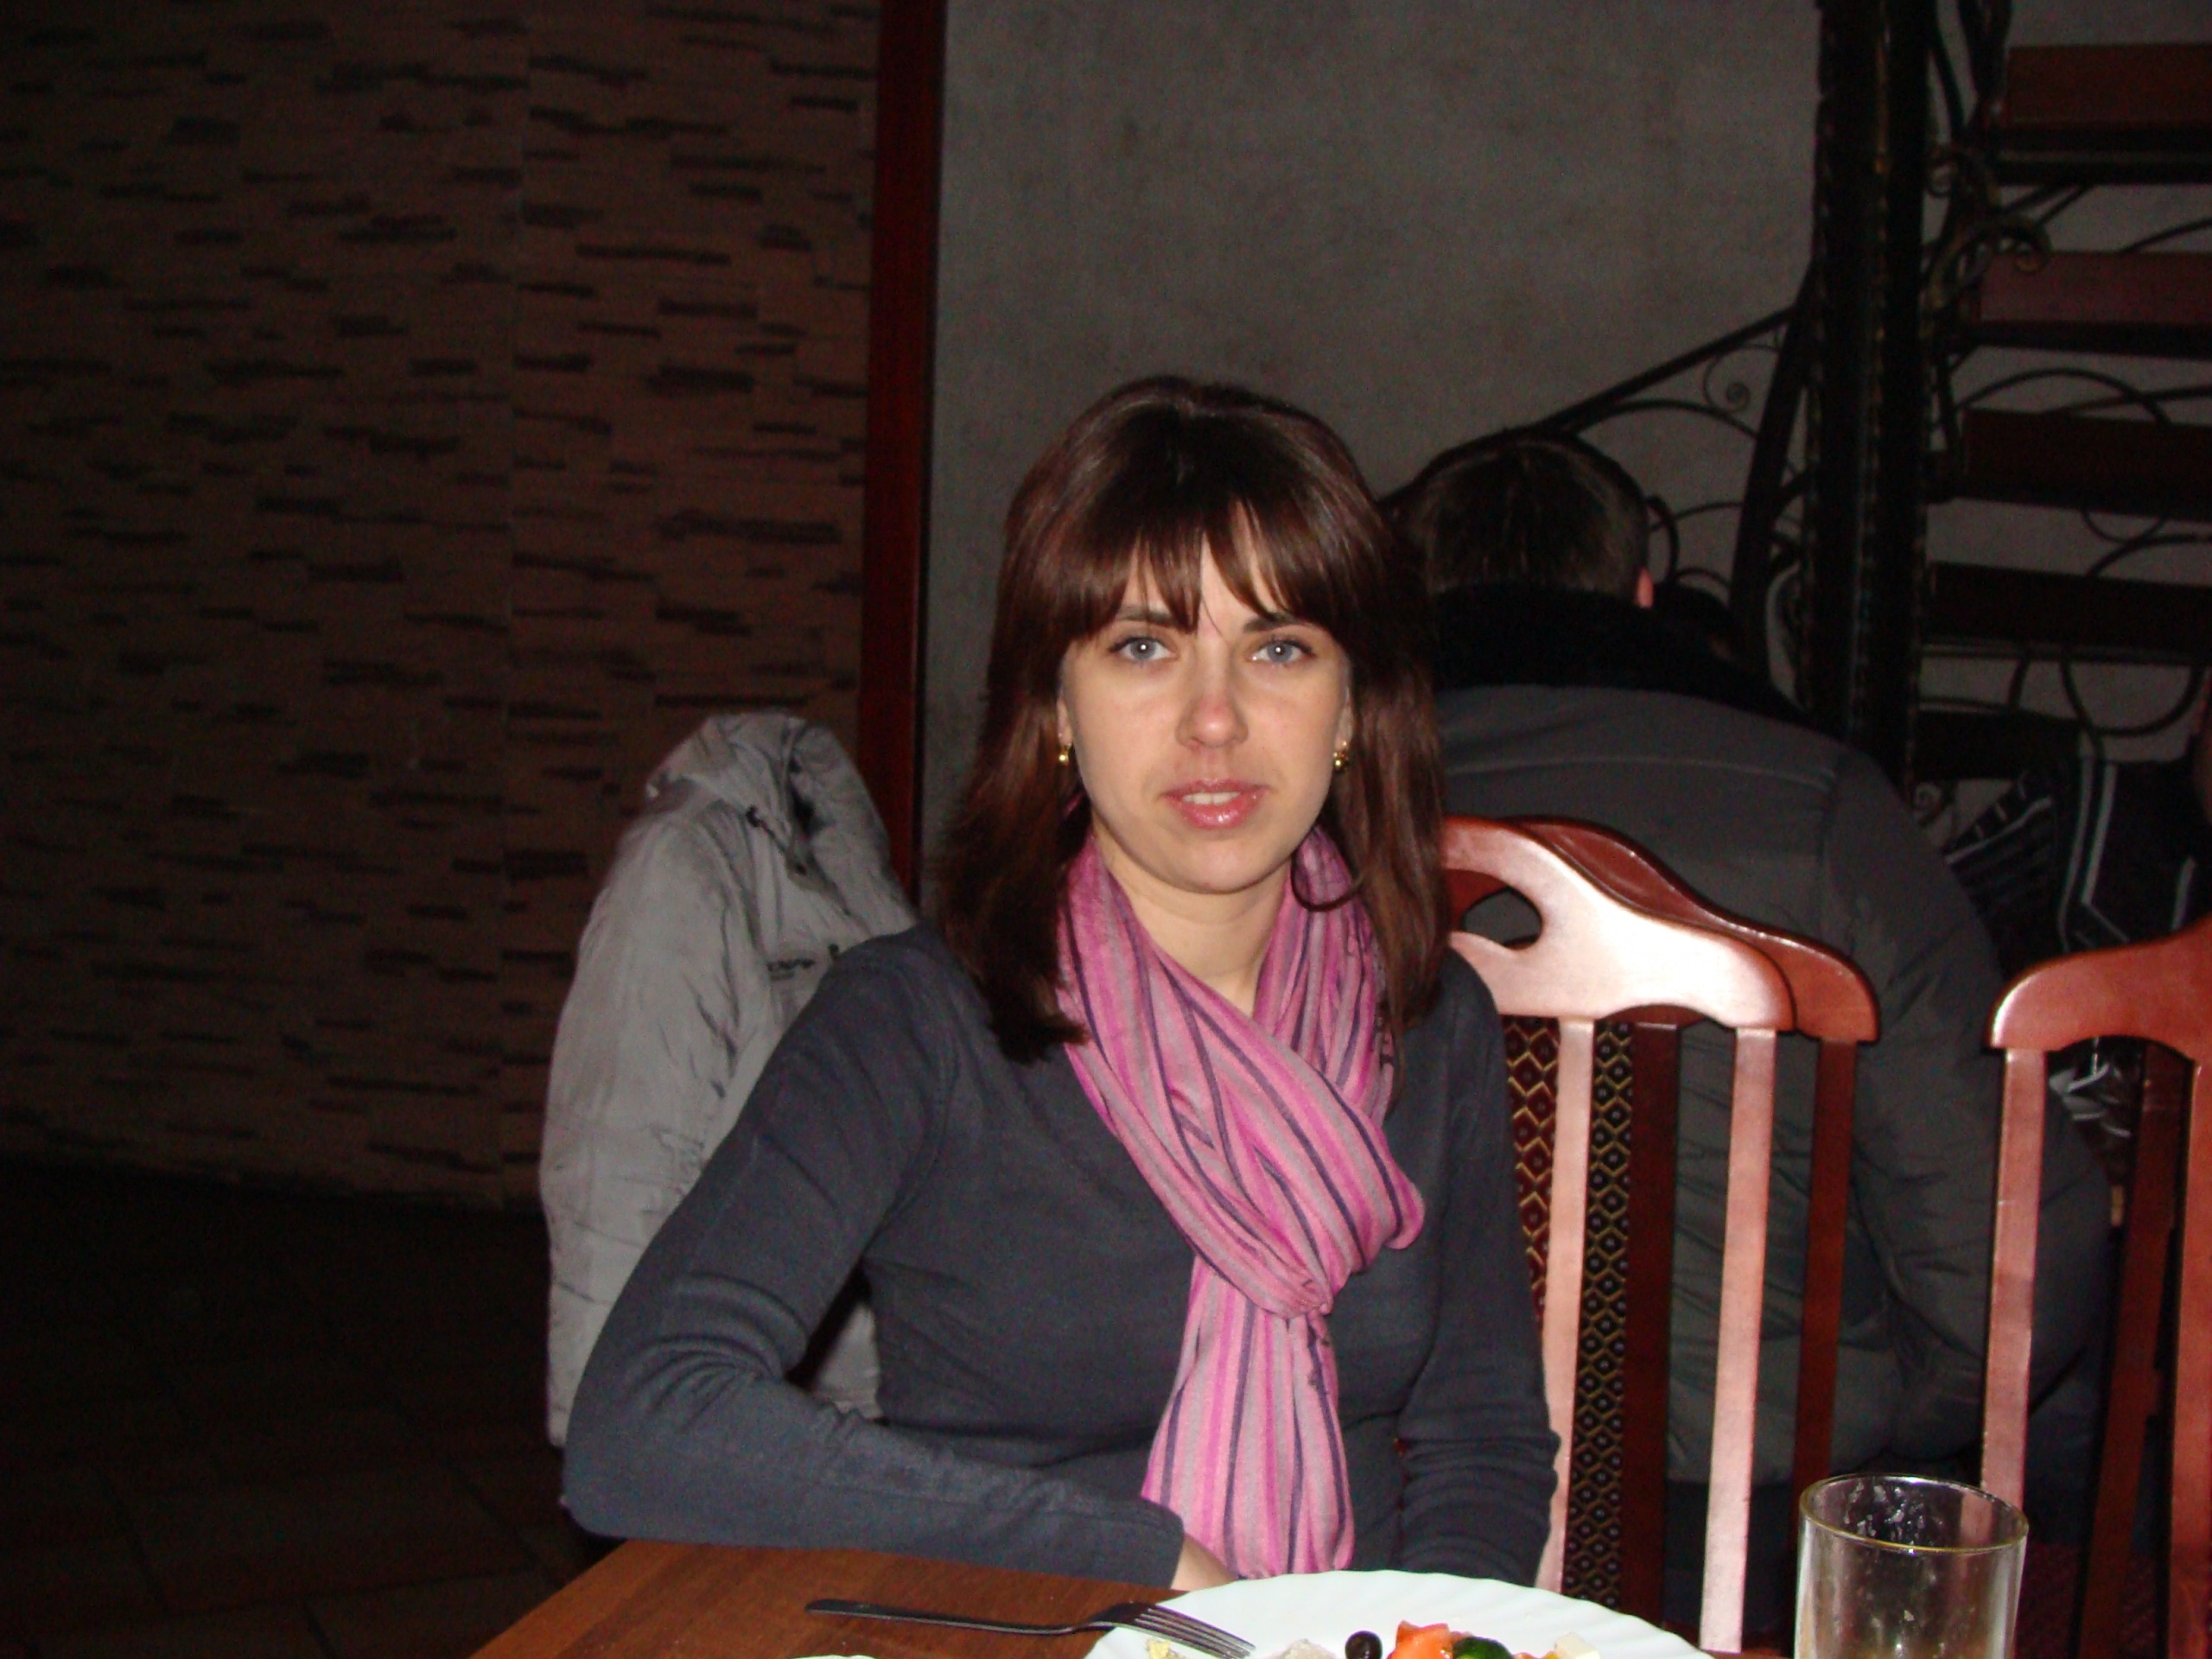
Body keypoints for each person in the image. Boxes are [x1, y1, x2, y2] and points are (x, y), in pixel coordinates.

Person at [561, 378, 1558, 1587]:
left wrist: (1431, 1642)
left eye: (1278, 648)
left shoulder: (1431, 1018)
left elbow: (1481, 1442)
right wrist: (1141, 1557)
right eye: (1143, 647)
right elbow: (644, 1421)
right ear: (1054, 708)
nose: (1214, 720)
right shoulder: (915, 1024)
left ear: (1351, 705)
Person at [1388, 430, 2110, 1621]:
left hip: (1380, 1507)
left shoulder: (1310, 803)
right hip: (1741, 1540)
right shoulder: (1820, 808)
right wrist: (1872, 1441)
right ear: (1641, 597)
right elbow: (2004, 1246)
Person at [539, 711, 915, 1446]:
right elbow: (618, 1160)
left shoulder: (847, 859)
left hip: (860, 1385)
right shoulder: (679, 867)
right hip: (746, 1382)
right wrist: (614, 1429)